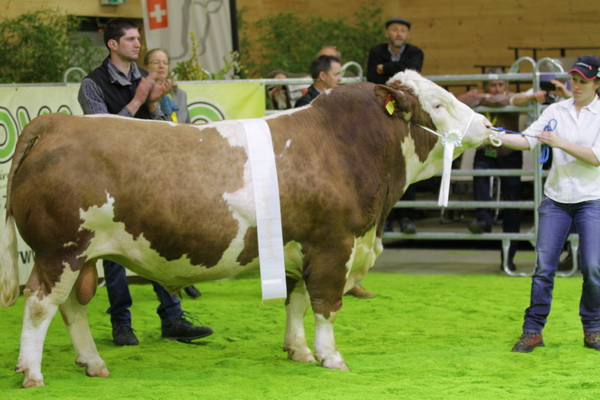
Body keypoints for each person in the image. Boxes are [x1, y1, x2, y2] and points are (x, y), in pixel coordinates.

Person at [78, 17, 212, 346]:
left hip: (150, 178)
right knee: (113, 254)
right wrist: (138, 100)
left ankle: (173, 318)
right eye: (130, 39)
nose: (138, 45)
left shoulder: (147, 78)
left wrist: (153, 105)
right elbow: (101, 137)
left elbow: (165, 131)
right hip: (109, 181)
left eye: (139, 39)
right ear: (113, 45)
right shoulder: (91, 84)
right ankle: (121, 324)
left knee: (162, 246)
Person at [491, 55, 600, 353]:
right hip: (555, 200)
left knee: (593, 268)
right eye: (573, 79)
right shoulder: (555, 110)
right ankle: (533, 331)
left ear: (597, 83)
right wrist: (494, 135)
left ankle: (593, 328)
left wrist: (560, 143)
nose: (575, 85)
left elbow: (595, 158)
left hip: (593, 201)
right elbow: (527, 140)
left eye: (583, 81)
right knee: (543, 269)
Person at [457, 69, 550, 271]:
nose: (498, 89)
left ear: (506, 86)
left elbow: (518, 100)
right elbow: (458, 102)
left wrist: (493, 99)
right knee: (479, 176)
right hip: (486, 151)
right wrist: (484, 98)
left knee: (512, 203)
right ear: (486, 87)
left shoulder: (512, 98)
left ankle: (508, 257)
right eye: (493, 85)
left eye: (501, 85)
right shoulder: (481, 97)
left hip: (509, 154)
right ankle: (484, 219)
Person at [143, 48, 202, 298]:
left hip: (181, 163)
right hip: (153, 165)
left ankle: (185, 275)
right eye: (155, 62)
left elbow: (185, 124)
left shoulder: (180, 94)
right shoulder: (141, 91)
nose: (161, 66)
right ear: (145, 65)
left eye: (165, 62)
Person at [367, 16, 424, 234]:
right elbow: (372, 77)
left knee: (407, 162)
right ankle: (386, 218)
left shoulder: (416, 52)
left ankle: (407, 216)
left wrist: (386, 67)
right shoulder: (376, 52)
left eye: (403, 30)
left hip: (407, 113)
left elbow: (413, 73)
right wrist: (396, 69)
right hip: (382, 112)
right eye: (394, 30)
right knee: (384, 165)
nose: (399, 34)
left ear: (407, 35)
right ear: (387, 34)